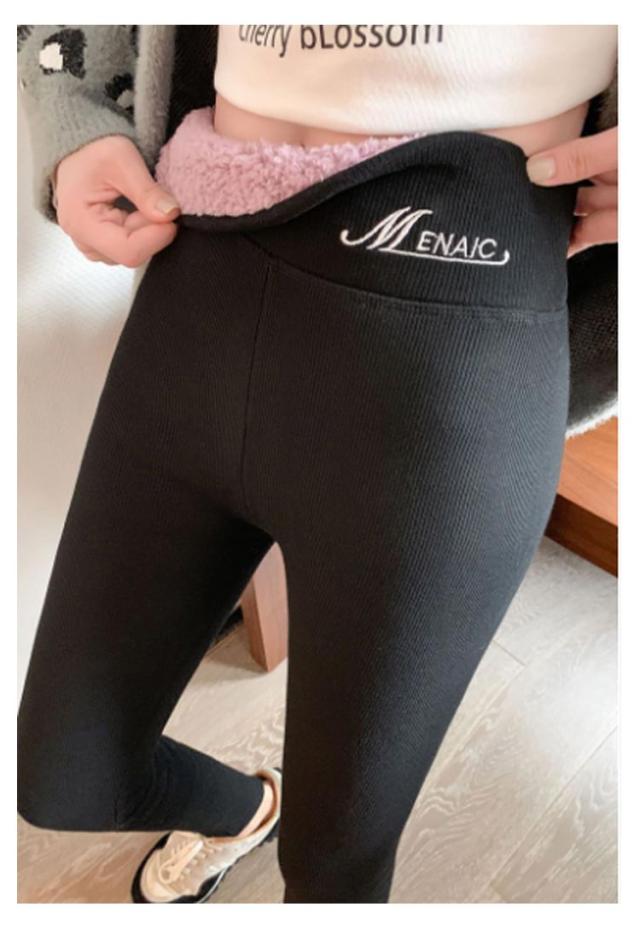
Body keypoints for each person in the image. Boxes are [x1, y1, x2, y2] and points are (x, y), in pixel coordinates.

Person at [17, 25, 618, 904]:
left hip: (450, 338)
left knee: (335, 871)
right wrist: (73, 116)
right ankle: (246, 812)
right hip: (201, 277)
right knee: (64, 779)